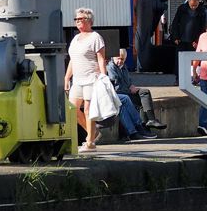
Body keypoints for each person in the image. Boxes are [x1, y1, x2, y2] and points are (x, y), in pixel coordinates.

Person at [64, 8, 107, 151]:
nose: (77, 21)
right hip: (77, 79)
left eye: (80, 19)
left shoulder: (96, 37)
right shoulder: (75, 38)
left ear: (89, 20)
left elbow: (101, 59)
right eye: (76, 19)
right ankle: (93, 134)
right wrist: (67, 77)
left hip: (91, 78)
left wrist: (104, 77)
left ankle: (90, 142)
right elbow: (73, 59)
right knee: (72, 109)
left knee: (88, 109)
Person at [108, 49, 155, 141]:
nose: (119, 61)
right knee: (124, 100)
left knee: (144, 93)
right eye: (118, 58)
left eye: (122, 59)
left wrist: (131, 86)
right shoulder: (110, 68)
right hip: (117, 94)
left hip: (123, 93)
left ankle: (148, 122)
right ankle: (139, 125)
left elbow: (128, 82)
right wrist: (129, 88)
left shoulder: (124, 67)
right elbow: (116, 87)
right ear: (113, 57)